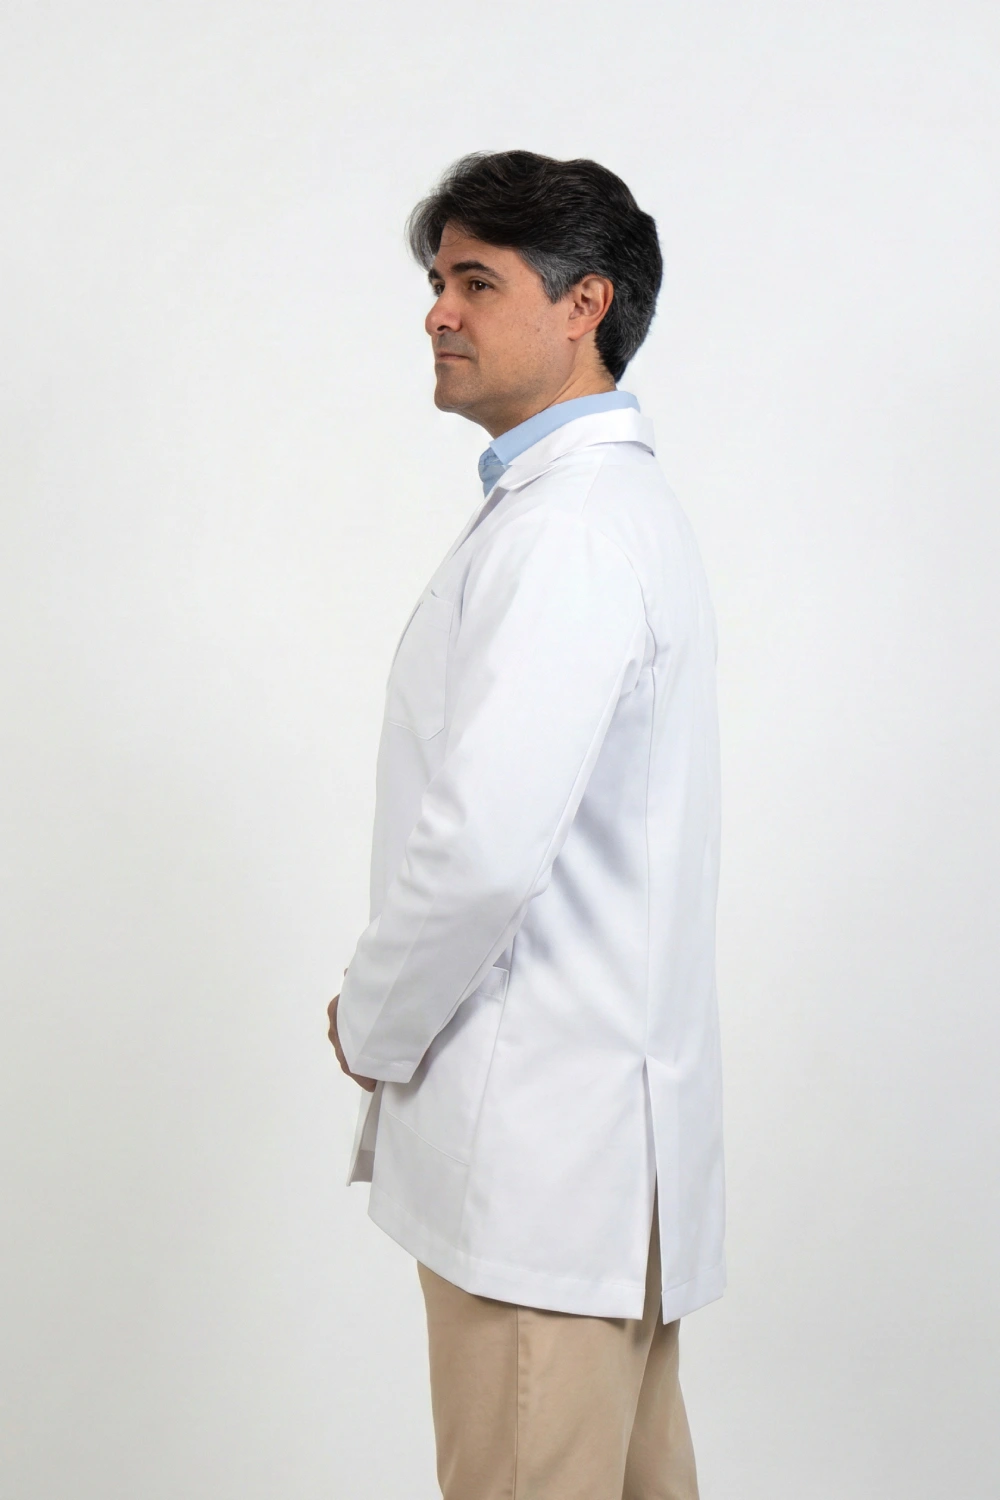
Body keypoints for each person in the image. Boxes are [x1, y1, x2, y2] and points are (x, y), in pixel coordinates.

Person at [328, 149, 724, 1500]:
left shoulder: (567, 533)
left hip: (545, 1176)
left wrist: (371, 1023)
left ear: (582, 304)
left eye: (476, 281)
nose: (437, 311)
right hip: (599, 1170)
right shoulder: (603, 512)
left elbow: (483, 850)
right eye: (438, 280)